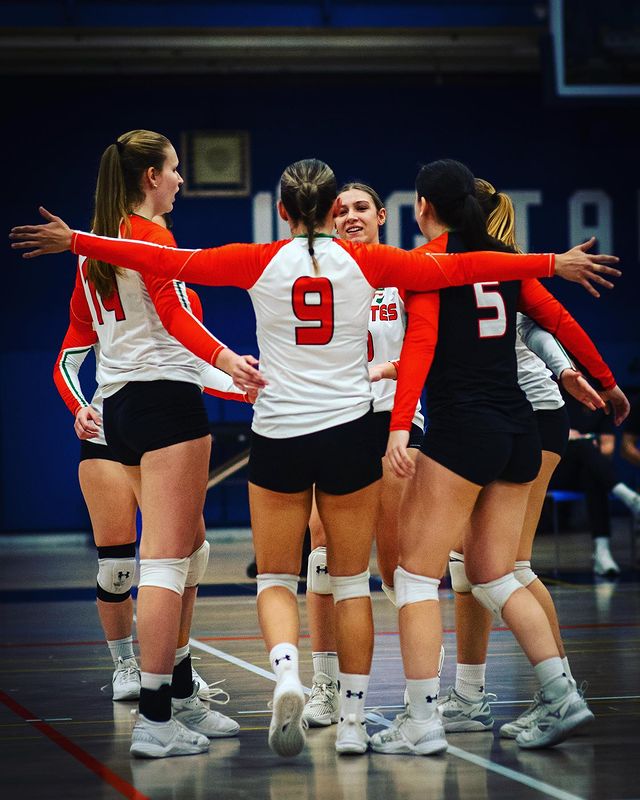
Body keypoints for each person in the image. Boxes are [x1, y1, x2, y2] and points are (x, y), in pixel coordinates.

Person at [10, 158, 620, 759]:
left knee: (286, 577)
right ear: (334, 211)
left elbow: (161, 261)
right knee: (374, 579)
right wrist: (551, 263)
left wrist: (76, 241)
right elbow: (473, 269)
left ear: (282, 211)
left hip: (285, 432)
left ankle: (294, 680)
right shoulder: (371, 261)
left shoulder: (258, 258)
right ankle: (356, 717)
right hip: (366, 432)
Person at [372, 159, 627, 755]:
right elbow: (558, 319)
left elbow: (424, 341)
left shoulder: (431, 263)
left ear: (423, 207)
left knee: (414, 575)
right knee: (496, 571)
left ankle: (421, 721)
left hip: (464, 428)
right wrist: (605, 381)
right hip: (521, 429)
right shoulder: (505, 263)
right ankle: (561, 694)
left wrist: (402, 424)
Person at [33, 129, 264, 759]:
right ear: (149, 179)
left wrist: (236, 382)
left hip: (126, 408)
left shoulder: (95, 251)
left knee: (187, 553)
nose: (182, 179)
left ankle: (179, 696)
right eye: (175, 169)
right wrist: (228, 360)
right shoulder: (148, 236)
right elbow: (175, 319)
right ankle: (157, 716)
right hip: (163, 404)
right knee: (163, 564)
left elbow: (136, 331)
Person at [437, 178, 626, 739]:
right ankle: (479, 695)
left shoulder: (493, 265)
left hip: (523, 416)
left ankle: (558, 691)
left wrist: (591, 376)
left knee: (504, 568)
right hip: (510, 416)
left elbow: (552, 326)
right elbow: (542, 332)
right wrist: (578, 373)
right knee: (475, 566)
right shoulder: (472, 265)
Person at [54, 279, 252, 703]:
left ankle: (177, 671)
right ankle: (126, 664)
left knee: (190, 550)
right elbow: (66, 361)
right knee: (118, 567)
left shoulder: (179, 292)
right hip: (110, 428)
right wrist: (79, 407)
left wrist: (254, 388)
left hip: (164, 426)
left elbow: (197, 363)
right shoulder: (96, 282)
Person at [303, 183, 425, 728]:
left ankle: (422, 691)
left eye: (359, 208)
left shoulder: (404, 272)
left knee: (398, 558)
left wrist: (388, 373)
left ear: (381, 215)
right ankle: (325, 685)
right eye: (339, 211)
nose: (349, 217)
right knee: (323, 549)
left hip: (394, 420)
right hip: (333, 418)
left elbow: (431, 351)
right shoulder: (317, 277)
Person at [550, 391, 640, 576]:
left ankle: (602, 551)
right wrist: (585, 439)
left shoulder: (601, 405)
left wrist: (579, 438)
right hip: (556, 470)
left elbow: (608, 449)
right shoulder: (556, 398)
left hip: (585, 473)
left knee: (592, 473)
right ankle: (629, 499)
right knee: (585, 449)